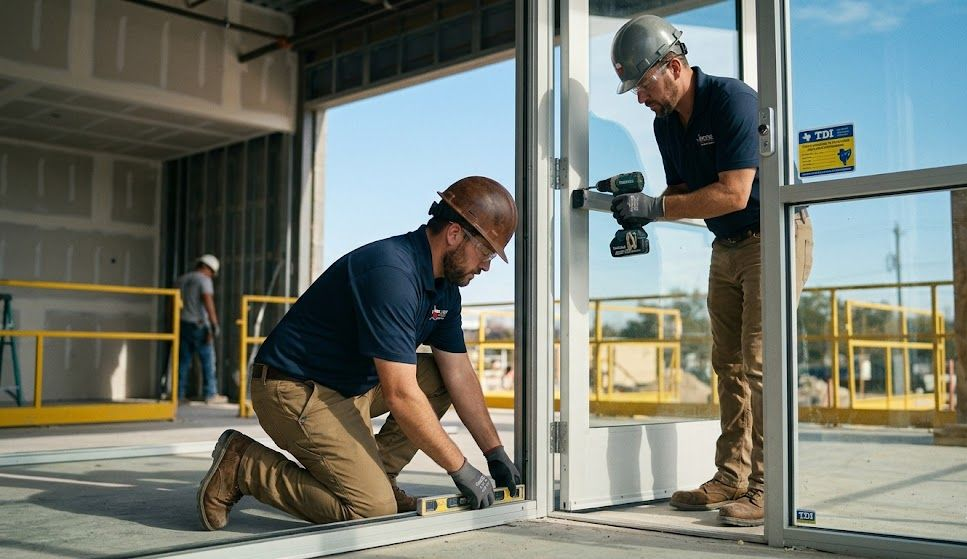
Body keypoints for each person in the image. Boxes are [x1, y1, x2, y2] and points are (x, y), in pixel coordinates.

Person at [196, 176, 522, 530]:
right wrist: (460, 467)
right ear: (455, 234)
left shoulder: (445, 291)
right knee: (371, 512)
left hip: (347, 388)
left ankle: (378, 478)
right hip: (293, 388)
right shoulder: (392, 273)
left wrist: (494, 453)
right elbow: (400, 393)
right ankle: (244, 465)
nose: (487, 266)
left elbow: (458, 374)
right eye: (486, 252)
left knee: (440, 377)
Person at [608, 15, 813, 527]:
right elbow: (681, 194)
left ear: (673, 66)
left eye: (642, 85)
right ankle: (732, 476)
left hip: (774, 233)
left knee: (761, 363)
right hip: (726, 243)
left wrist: (654, 208)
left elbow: (734, 192)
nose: (639, 99)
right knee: (728, 364)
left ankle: (771, 488)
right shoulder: (664, 123)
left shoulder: (732, 100)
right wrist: (636, 201)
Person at [177, 254, 225, 405]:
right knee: (208, 360)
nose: (212, 275)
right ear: (207, 267)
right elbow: (208, 301)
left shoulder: (182, 279)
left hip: (183, 324)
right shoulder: (204, 280)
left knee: (183, 361)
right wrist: (214, 324)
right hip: (199, 325)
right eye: (212, 272)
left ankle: (178, 395)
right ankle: (210, 394)